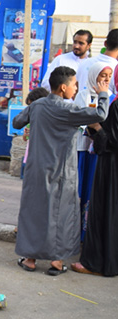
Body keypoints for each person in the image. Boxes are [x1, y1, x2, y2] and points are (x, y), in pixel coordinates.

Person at [12, 66, 109, 275]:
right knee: (61, 214)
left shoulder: (37, 105)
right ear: (63, 88)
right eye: (74, 84)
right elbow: (100, 114)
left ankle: (30, 259)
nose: (76, 88)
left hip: (36, 169)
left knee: (34, 212)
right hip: (62, 171)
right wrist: (103, 94)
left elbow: (17, 121)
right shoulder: (69, 110)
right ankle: (56, 262)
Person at [71, 70, 118, 277]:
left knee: (104, 210)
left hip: (111, 167)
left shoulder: (115, 105)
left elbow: (110, 142)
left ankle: (96, 262)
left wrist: (96, 126)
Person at [73, 62, 113, 242]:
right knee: (80, 190)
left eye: (109, 77)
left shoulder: (111, 98)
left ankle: (88, 233)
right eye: (102, 76)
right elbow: (76, 118)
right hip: (83, 148)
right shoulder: (82, 95)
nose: (105, 80)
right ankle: (74, 232)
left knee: (93, 191)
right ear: (93, 76)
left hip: (100, 151)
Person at [76, 29, 118, 95]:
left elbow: (75, 90)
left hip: (80, 104)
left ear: (105, 43)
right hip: (104, 104)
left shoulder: (85, 62)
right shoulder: (116, 68)